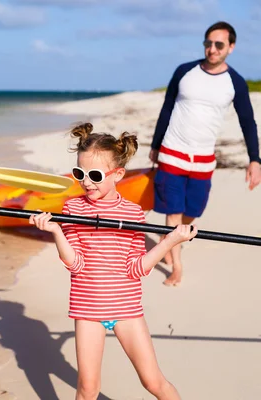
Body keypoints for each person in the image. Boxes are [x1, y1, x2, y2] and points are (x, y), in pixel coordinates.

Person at [29, 123, 197, 400]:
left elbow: (137, 268)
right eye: (79, 173)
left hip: (127, 310)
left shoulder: (132, 214)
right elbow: (75, 264)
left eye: (95, 175)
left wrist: (170, 241)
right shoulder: (73, 209)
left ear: (118, 174)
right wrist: (56, 230)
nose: (86, 182)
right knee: (87, 389)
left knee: (154, 382)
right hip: (88, 311)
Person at [149, 20, 261, 286]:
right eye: (208, 43)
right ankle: (176, 265)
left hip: (203, 160)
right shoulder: (184, 71)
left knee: (193, 210)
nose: (212, 49)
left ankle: (170, 238)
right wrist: (155, 145)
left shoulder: (235, 82)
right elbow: (166, 109)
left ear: (230, 47)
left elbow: (248, 121)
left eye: (218, 44)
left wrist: (255, 159)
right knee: (173, 211)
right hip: (172, 152)